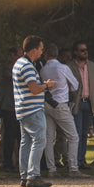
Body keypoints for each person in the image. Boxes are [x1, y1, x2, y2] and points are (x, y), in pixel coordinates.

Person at [13, 35, 56, 187]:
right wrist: (47, 86)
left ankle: (25, 175)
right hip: (33, 109)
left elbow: (31, 86)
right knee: (39, 140)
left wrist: (41, 85)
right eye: (40, 49)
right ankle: (33, 175)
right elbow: (34, 89)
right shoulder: (27, 66)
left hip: (22, 109)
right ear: (34, 49)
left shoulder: (18, 63)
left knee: (26, 142)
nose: (41, 52)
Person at [40, 43, 85, 178]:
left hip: (47, 104)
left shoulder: (43, 70)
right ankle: (73, 168)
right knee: (73, 136)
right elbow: (75, 85)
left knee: (49, 138)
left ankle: (51, 169)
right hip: (60, 103)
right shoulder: (63, 68)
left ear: (46, 55)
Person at [68, 41, 94, 170]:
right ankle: (74, 161)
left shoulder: (93, 66)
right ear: (76, 52)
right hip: (76, 104)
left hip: (89, 103)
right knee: (77, 133)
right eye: (82, 50)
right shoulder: (69, 67)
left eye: (86, 50)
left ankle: (81, 160)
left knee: (84, 133)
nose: (85, 52)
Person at [0, 47, 21, 171]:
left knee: (20, 136)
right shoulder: (6, 69)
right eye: (19, 55)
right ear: (13, 55)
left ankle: (19, 163)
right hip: (9, 107)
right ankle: (7, 163)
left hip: (18, 106)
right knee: (9, 136)